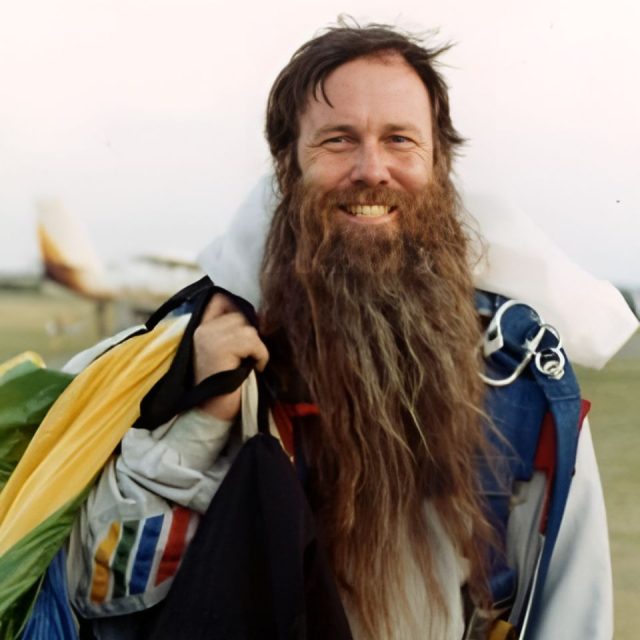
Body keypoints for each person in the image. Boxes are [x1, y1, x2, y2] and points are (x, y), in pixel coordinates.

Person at [65, 22, 619, 639]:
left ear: (439, 164)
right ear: (286, 166)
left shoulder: (518, 377)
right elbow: (105, 595)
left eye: (400, 139)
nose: (371, 169)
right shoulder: (202, 355)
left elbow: (572, 616)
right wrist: (197, 420)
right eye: (337, 140)